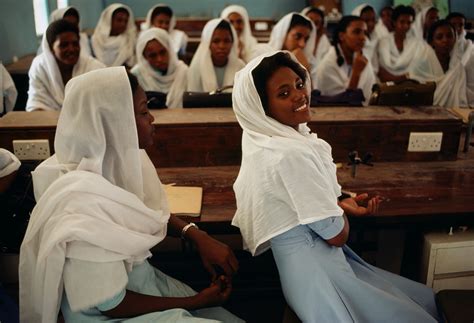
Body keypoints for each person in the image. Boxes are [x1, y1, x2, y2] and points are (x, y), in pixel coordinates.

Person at [19, 66, 244, 322]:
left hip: (136, 285)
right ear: (115, 121)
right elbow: (110, 303)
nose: (152, 119)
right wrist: (195, 301)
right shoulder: (80, 201)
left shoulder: (117, 161)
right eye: (143, 112)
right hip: (110, 313)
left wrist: (195, 234)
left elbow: (143, 211)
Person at [231, 50, 441, 323]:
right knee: (416, 312)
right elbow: (337, 235)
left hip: (302, 269)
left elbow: (306, 207)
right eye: (283, 94)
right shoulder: (290, 154)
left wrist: (336, 204)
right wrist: (338, 210)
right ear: (263, 108)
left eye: (298, 84)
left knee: (415, 302)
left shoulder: (264, 139)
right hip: (319, 272)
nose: (298, 94)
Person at [26, 19, 104, 111]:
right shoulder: (40, 67)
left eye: (75, 44)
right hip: (48, 122)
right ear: (51, 48)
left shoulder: (92, 67)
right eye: (64, 45)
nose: (71, 49)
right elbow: (36, 104)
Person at [313, 16, 376, 105]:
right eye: (357, 32)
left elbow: (372, 94)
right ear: (342, 36)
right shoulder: (327, 66)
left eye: (365, 33)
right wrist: (356, 74)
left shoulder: (363, 58)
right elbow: (341, 105)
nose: (363, 38)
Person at [409, 20, 468, 108]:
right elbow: (414, 98)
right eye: (439, 37)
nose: (445, 40)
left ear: (455, 39)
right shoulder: (420, 65)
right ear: (432, 42)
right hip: (424, 114)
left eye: (449, 36)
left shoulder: (458, 67)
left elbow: (461, 99)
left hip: (455, 115)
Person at [131, 27, 188, 108]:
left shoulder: (183, 71)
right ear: (144, 57)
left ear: (169, 49)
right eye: (152, 55)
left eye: (163, 52)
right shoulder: (137, 76)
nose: (160, 59)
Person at [187, 18, 244, 92]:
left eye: (227, 41)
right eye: (216, 41)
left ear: (232, 43)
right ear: (208, 44)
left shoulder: (241, 67)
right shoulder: (197, 68)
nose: (222, 46)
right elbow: (192, 99)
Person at [377, 5, 422, 82]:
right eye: (402, 22)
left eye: (409, 22)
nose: (405, 26)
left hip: (412, 84)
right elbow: (381, 69)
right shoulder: (384, 42)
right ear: (394, 22)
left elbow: (419, 67)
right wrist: (399, 79)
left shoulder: (415, 43)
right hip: (388, 84)